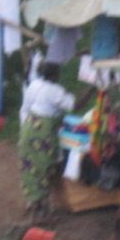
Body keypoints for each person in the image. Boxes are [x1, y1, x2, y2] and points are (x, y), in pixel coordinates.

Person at [19, 61, 75, 218]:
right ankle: (41, 212)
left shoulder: (34, 85)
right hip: (43, 133)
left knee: (30, 166)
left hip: (28, 128)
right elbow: (74, 105)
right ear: (55, 75)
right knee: (45, 167)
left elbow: (26, 107)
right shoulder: (55, 91)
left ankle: (32, 202)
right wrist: (92, 91)